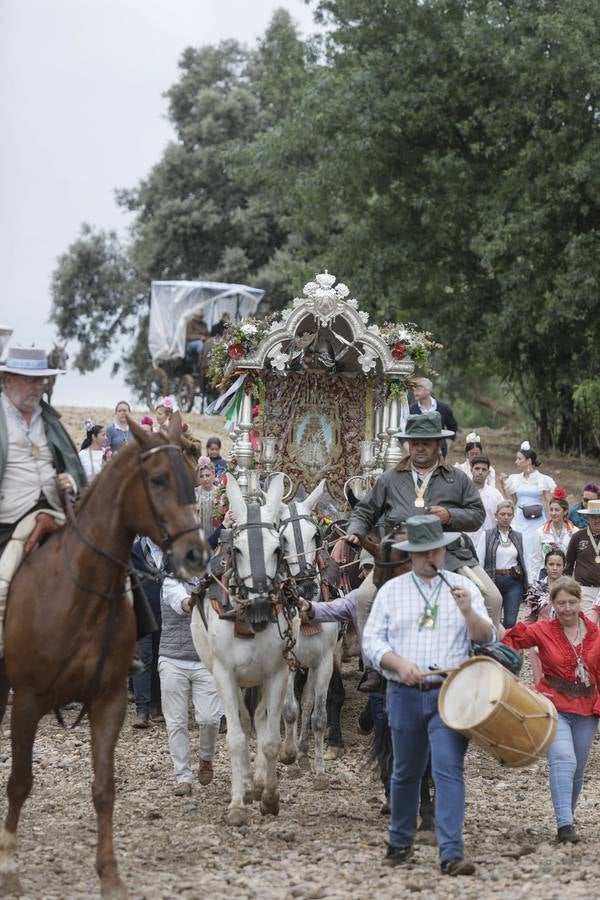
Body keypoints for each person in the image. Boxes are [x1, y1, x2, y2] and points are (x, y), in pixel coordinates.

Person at [362, 515, 494, 874]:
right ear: (410, 554)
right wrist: (397, 662)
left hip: (450, 693)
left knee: (449, 769)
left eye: (433, 550)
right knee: (405, 771)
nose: (428, 558)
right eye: (420, 552)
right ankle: (400, 842)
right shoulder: (391, 590)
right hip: (403, 692)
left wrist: (469, 611)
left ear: (443, 549)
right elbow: (372, 641)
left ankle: (451, 852)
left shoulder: (462, 587)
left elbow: (486, 637)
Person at [347, 412, 502, 628]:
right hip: (399, 553)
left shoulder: (457, 478)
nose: (419, 447)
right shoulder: (390, 478)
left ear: (438, 444)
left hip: (449, 553)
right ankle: (372, 661)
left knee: (493, 599)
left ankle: (485, 658)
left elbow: (477, 515)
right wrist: (356, 531)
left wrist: (450, 516)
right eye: (414, 442)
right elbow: (364, 511)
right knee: (364, 598)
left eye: (426, 443)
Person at [502, 577, 600, 844]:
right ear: (553, 605)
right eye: (561, 603)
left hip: (587, 708)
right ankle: (564, 825)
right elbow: (510, 639)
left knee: (578, 768)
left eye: (572, 602)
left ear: (580, 602)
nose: (567, 608)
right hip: (552, 704)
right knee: (564, 760)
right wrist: (507, 674)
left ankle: (567, 815)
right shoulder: (543, 629)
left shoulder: (596, 633)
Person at [0, 346, 86, 557]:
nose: (38, 387)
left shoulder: (50, 420)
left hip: (57, 509)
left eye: (41, 380)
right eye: (30, 380)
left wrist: (72, 481)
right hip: (9, 518)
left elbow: (73, 466)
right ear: (8, 380)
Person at [158, 563, 222, 796]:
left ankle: (206, 758)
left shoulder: (215, 580)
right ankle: (182, 776)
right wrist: (199, 595)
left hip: (206, 661)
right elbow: (184, 604)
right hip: (172, 660)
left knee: (210, 719)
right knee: (176, 723)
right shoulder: (170, 582)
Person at [500, 441, 556, 579]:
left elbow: (549, 501)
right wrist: (503, 486)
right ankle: (520, 578)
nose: (516, 461)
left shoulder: (543, 479)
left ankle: (535, 581)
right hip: (520, 517)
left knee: (535, 549)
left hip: (537, 519)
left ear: (528, 461)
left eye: (519, 458)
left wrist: (551, 521)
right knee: (520, 547)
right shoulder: (515, 479)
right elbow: (512, 501)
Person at [477, 501, 528, 628]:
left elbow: (525, 560)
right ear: (496, 515)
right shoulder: (487, 535)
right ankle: (492, 647)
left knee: (510, 621)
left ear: (513, 516)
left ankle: (507, 646)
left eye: (509, 515)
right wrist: (479, 583)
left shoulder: (518, 536)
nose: (506, 517)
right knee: (492, 620)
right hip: (492, 580)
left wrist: (529, 582)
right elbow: (479, 561)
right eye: (502, 514)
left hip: (514, 581)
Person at [130, 536, 164, 728]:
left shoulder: (169, 551)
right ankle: (142, 710)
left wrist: (222, 527)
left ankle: (155, 706)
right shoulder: (134, 550)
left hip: (165, 613)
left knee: (160, 659)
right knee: (143, 658)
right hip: (141, 613)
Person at [523, 549, 567, 686]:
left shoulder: (570, 588)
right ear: (545, 566)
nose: (554, 568)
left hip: (564, 637)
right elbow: (530, 618)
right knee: (540, 680)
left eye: (558, 565)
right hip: (540, 637)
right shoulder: (536, 588)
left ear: (564, 566)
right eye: (551, 564)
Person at [530, 488, 578, 579]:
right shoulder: (540, 532)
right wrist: (533, 581)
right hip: (546, 575)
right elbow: (536, 559)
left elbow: (577, 560)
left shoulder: (575, 532)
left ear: (565, 511)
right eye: (551, 509)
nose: (553, 513)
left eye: (557, 510)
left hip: (567, 575)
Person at [565, 498, 600, 615]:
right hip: (585, 590)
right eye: (593, 517)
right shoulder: (578, 536)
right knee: (588, 626)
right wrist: (567, 589)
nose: (597, 520)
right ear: (588, 517)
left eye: (599, 517)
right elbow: (568, 564)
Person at [409, 378, 457, 457]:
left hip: (439, 455)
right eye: (414, 390)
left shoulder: (444, 408)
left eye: (418, 390)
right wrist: (409, 450)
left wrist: (446, 446)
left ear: (428, 391)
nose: (415, 393)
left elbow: (453, 427)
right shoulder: (410, 410)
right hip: (418, 454)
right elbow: (404, 431)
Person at [469, 455, 504, 545]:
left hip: (488, 542)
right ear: (471, 470)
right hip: (466, 543)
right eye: (477, 468)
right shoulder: (461, 492)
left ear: (488, 473)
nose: (480, 472)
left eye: (484, 470)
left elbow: (504, 517)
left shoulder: (495, 495)